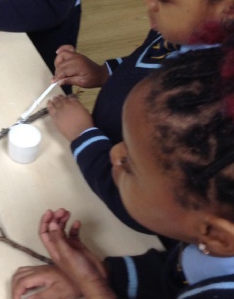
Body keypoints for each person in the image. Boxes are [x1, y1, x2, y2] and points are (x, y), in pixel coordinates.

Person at [48, 0, 234, 232]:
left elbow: (142, 203)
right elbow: (149, 59)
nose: (148, 1)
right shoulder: (181, 29)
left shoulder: (207, 114)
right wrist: (104, 73)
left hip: (117, 202)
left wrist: (84, 137)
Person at [13, 30, 234, 298]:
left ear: (216, 235)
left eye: (129, 163)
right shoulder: (211, 236)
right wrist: (105, 276)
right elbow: (179, 271)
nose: (115, 152)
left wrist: (94, 287)